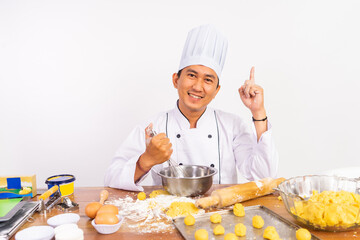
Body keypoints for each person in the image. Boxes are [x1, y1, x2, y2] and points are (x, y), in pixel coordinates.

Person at [104, 24, 279, 191]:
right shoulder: (153, 127)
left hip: (220, 215)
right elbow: (111, 178)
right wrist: (145, 161)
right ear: (175, 80)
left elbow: (264, 177)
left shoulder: (232, 125)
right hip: (168, 215)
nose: (197, 86)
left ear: (217, 90)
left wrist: (258, 112)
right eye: (192, 75)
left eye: (208, 80)